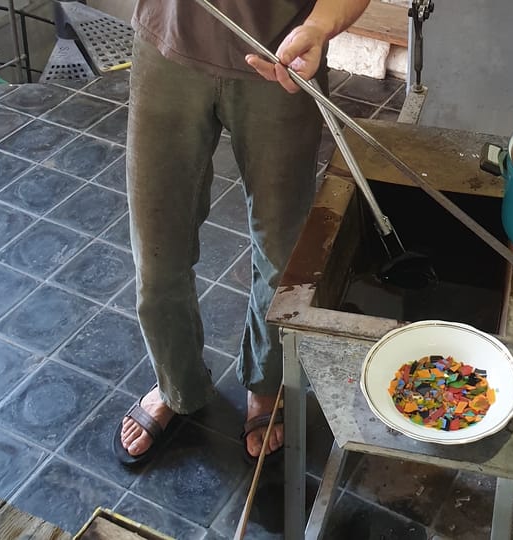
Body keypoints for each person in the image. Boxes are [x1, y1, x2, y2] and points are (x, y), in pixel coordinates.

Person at [114, 0, 370, 466]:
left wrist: (319, 25)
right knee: (157, 254)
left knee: (283, 257)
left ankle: (268, 383)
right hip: (167, 51)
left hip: (280, 59)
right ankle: (176, 383)